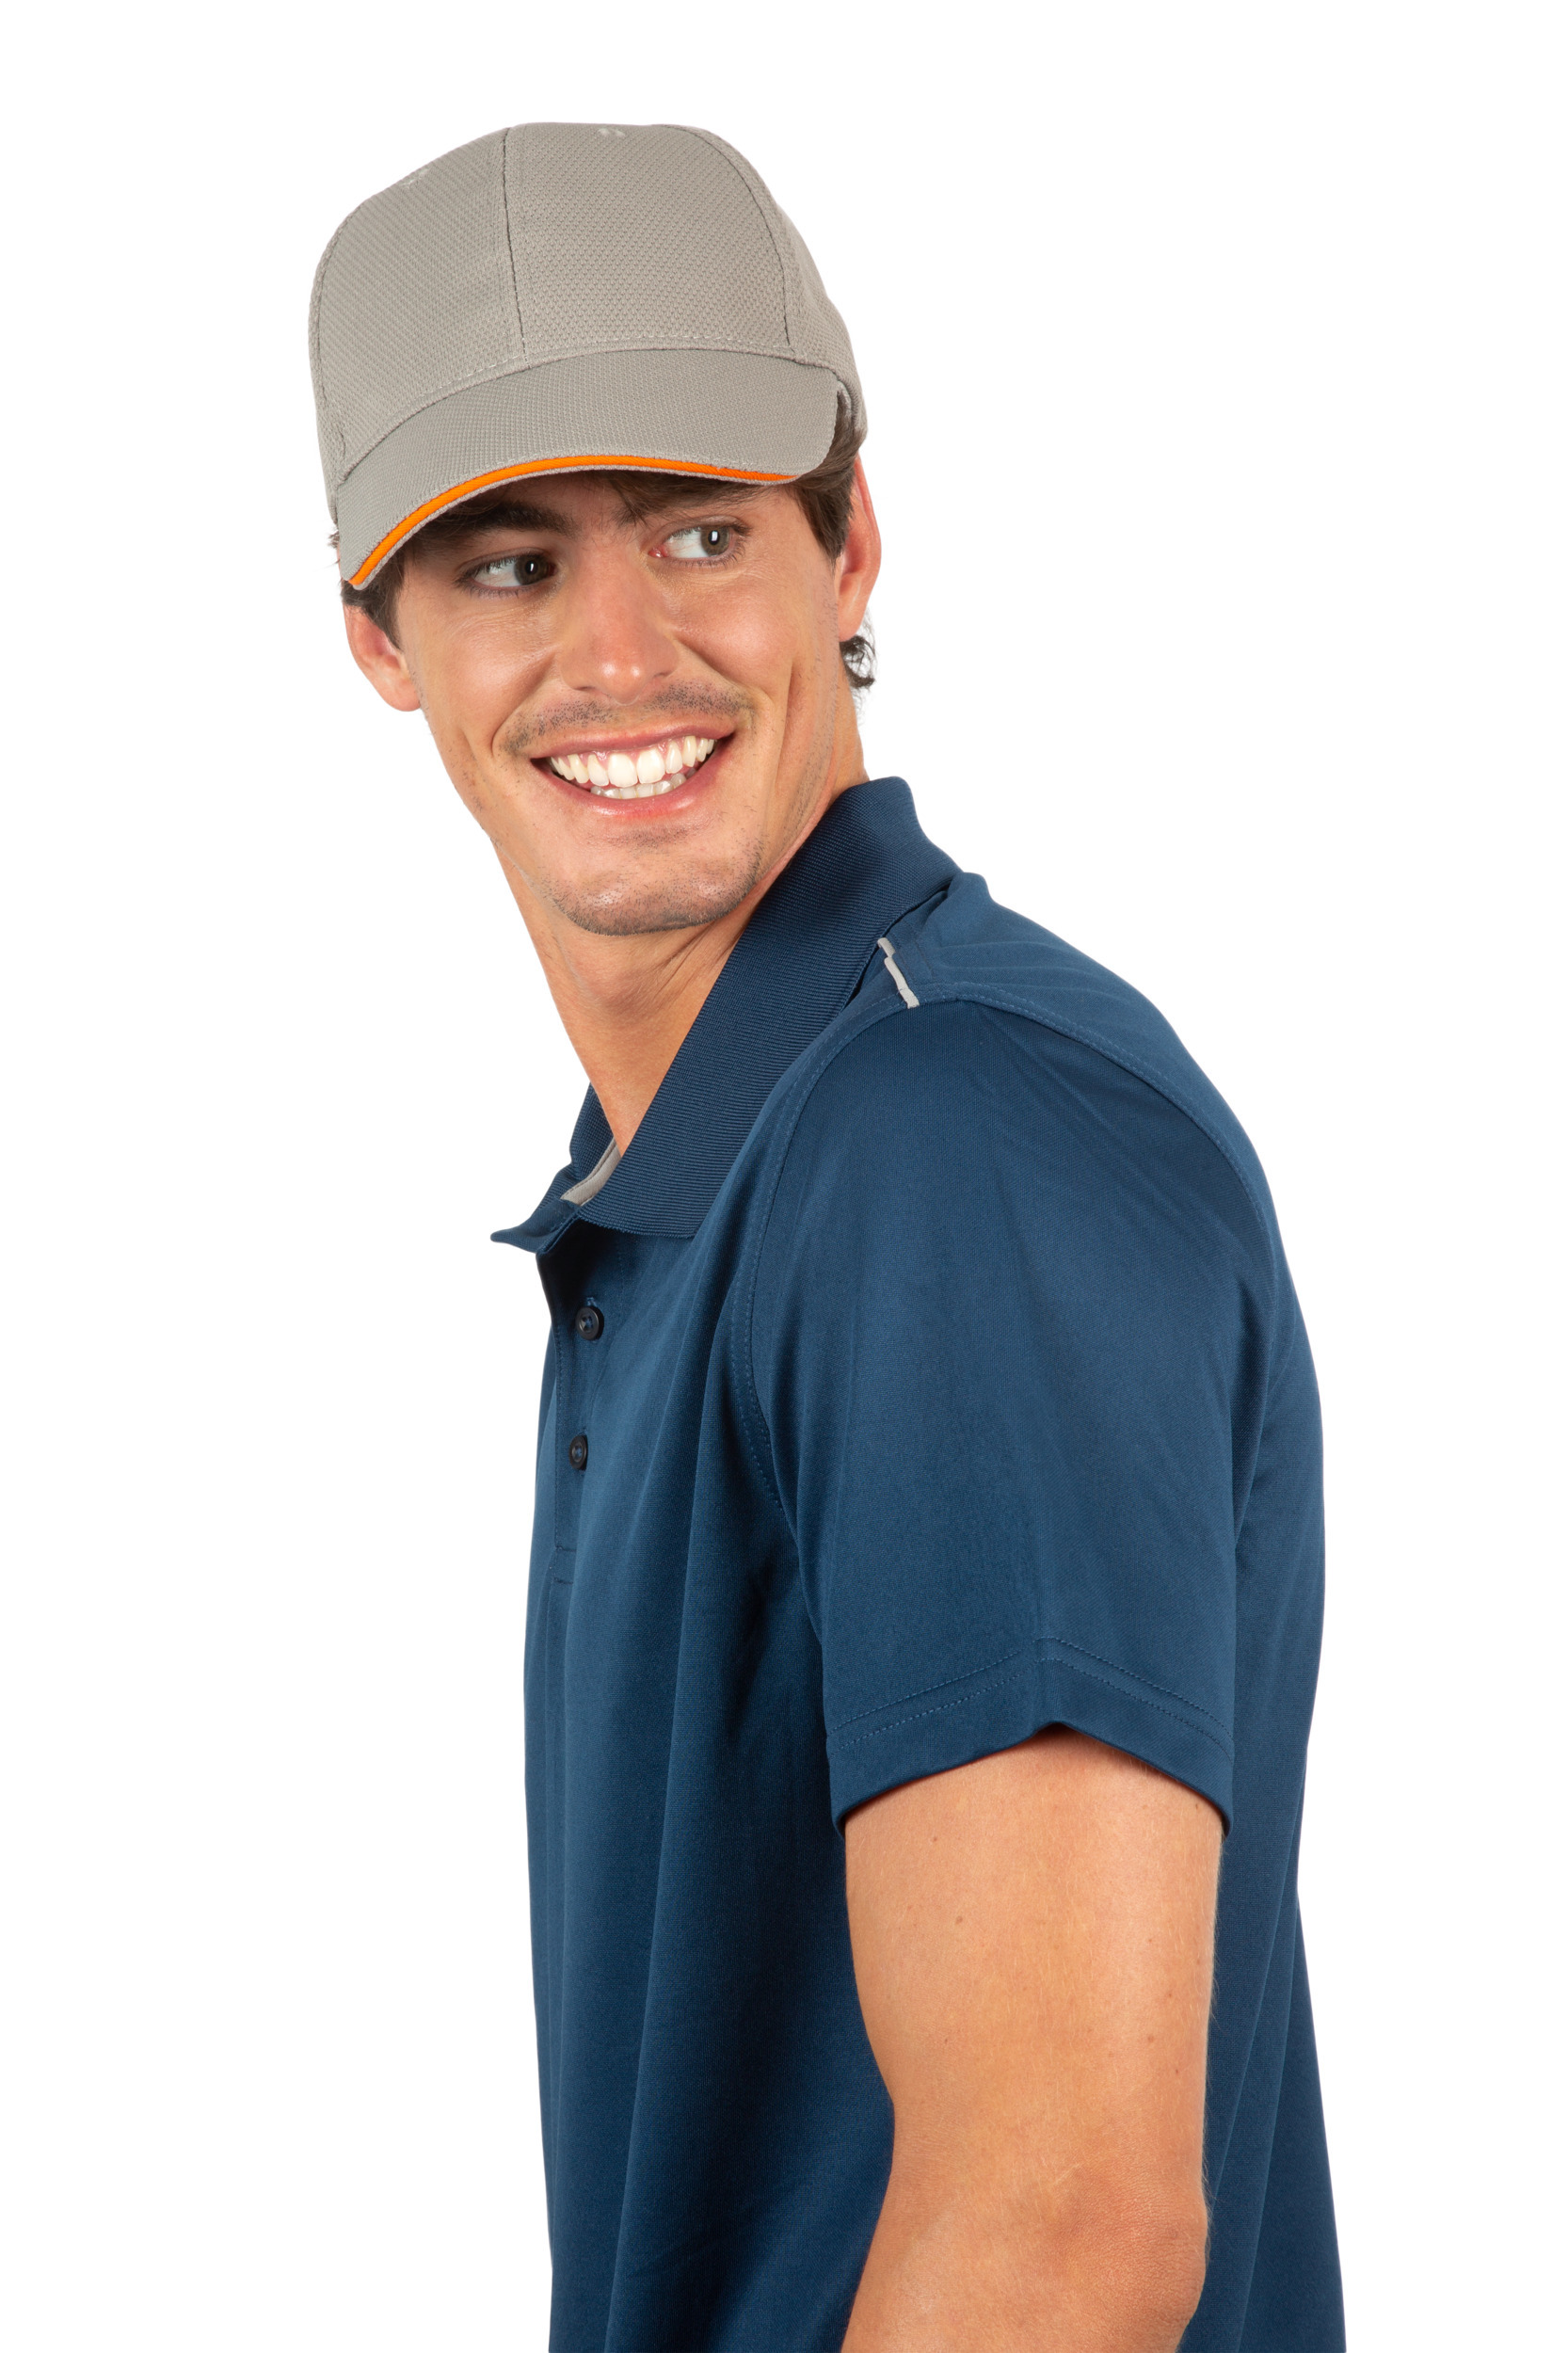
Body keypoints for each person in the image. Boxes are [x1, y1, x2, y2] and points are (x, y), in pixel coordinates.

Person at [312, 121, 1344, 2353]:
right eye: (503, 565)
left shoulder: (949, 1149)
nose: (619, 651)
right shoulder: (723, 1160)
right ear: (379, 642)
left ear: (847, 538)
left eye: (700, 527)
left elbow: (1058, 2227)